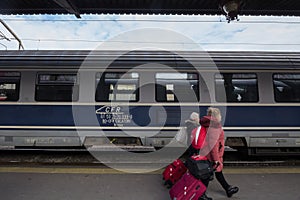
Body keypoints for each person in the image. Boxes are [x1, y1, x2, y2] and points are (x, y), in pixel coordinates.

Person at [199, 107, 239, 199]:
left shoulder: (207, 124)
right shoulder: (215, 126)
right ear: (217, 116)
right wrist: (216, 160)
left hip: (206, 153)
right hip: (211, 156)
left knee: (217, 173)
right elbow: (213, 146)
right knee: (207, 176)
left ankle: (228, 188)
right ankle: (201, 195)